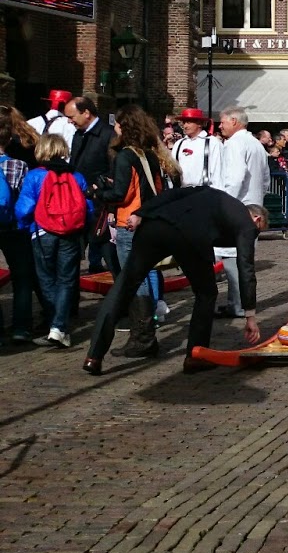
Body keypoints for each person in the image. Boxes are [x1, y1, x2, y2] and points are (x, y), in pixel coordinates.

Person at [82, 187, 266, 376]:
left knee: (123, 286)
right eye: (258, 231)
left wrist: (140, 213)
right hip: (190, 237)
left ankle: (93, 356)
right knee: (206, 292)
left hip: (155, 225)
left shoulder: (213, 194)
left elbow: (172, 194)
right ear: (256, 219)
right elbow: (246, 268)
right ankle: (196, 355)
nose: (253, 235)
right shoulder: (247, 224)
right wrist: (250, 315)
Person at [100, 106, 178, 358]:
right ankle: (145, 337)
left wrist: (96, 193)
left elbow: (120, 194)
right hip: (147, 222)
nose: (115, 129)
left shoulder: (125, 156)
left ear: (125, 127)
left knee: (135, 279)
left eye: (118, 125)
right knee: (142, 276)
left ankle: (143, 338)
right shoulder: (150, 155)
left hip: (129, 224)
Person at [15, 134, 93, 348]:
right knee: (67, 280)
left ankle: (57, 325)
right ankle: (59, 328)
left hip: (42, 233)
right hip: (70, 234)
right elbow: (89, 208)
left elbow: (24, 208)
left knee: (46, 279)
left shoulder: (34, 177)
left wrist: (23, 226)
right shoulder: (77, 176)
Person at [216, 107, 270, 319]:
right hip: (253, 205)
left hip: (238, 207)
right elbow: (265, 179)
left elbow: (236, 178)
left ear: (235, 121)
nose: (220, 126)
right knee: (243, 258)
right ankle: (237, 303)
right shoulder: (256, 144)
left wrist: (225, 206)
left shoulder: (235, 144)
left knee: (233, 258)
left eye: (223, 122)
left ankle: (238, 304)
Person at [0, 110, 41, 342]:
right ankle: (20, 327)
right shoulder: (19, 166)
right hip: (15, 227)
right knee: (22, 277)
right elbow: (26, 200)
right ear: (8, 139)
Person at [65, 96, 115, 276]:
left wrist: (99, 186)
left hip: (99, 203)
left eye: (72, 116)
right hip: (78, 201)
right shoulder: (78, 135)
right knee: (72, 253)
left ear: (86, 113)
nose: (69, 121)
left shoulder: (108, 134)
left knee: (106, 249)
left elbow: (114, 168)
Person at [172, 107, 224, 188]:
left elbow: (218, 172)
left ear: (199, 123)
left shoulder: (212, 142)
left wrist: (216, 195)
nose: (185, 126)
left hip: (204, 192)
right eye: (184, 122)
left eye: (188, 122)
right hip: (181, 192)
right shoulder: (179, 144)